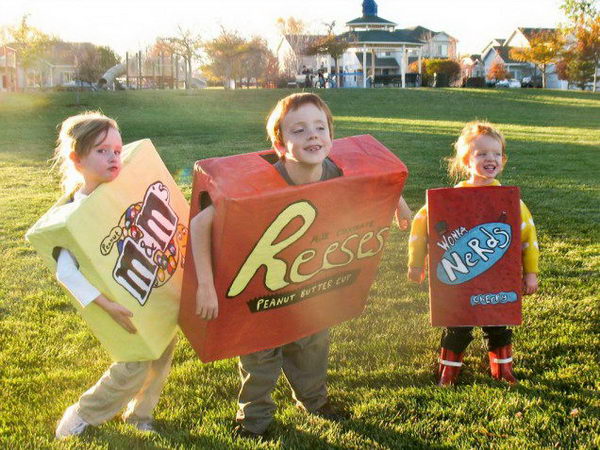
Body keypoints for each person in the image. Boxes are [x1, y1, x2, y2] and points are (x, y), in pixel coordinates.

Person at [190, 93, 412, 438]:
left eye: (319, 127)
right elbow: (200, 223)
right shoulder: (257, 186)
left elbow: (367, 182)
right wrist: (205, 285)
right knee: (259, 353)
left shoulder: (337, 171)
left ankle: (314, 400)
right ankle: (253, 421)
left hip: (309, 281)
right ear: (280, 144)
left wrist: (396, 200)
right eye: (299, 130)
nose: (312, 136)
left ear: (331, 137)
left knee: (312, 343)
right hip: (261, 287)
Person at [50, 112, 176, 438]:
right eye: (101, 151)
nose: (113, 157)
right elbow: (66, 273)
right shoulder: (75, 213)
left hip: (145, 292)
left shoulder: (123, 192)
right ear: (77, 160)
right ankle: (82, 414)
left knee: (161, 349)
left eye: (117, 151)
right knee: (134, 363)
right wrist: (107, 305)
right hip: (116, 303)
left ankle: (140, 415)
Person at [407, 121, 539, 386]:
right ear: (466, 161)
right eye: (481, 154)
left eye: (496, 153)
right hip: (460, 284)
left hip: (497, 282)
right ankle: (448, 370)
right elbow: (420, 226)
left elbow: (528, 237)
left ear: (503, 159)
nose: (490, 159)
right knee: (457, 324)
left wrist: (531, 273)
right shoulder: (447, 202)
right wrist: (416, 263)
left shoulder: (510, 201)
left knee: (498, 323)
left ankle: (502, 369)